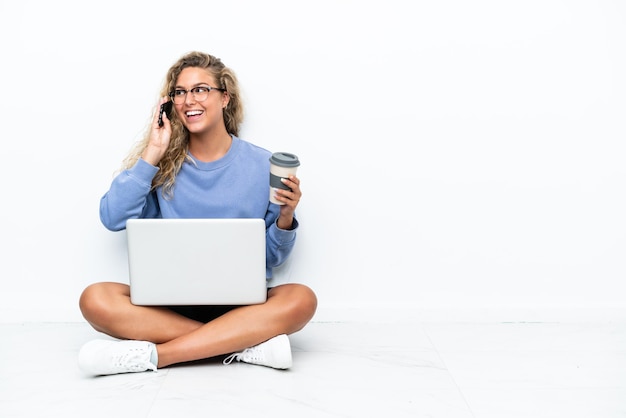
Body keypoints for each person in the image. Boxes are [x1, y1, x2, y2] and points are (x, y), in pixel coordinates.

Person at [78, 51, 317, 376]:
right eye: (180, 92)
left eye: (201, 89)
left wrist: (286, 216)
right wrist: (152, 153)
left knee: (302, 299)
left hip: (242, 305)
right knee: (94, 299)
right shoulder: (162, 166)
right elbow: (112, 217)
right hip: (169, 304)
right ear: (171, 102)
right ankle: (244, 345)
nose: (190, 99)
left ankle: (157, 356)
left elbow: (271, 259)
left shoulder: (264, 165)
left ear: (224, 98)